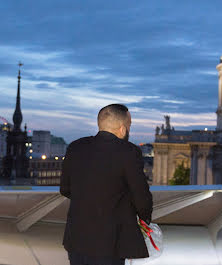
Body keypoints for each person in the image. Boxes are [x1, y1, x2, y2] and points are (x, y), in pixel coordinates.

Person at [60, 104, 153, 265]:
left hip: (76, 238)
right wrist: (144, 219)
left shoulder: (76, 147)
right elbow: (142, 197)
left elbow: (65, 189)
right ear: (123, 129)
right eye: (129, 125)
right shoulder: (129, 152)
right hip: (110, 242)